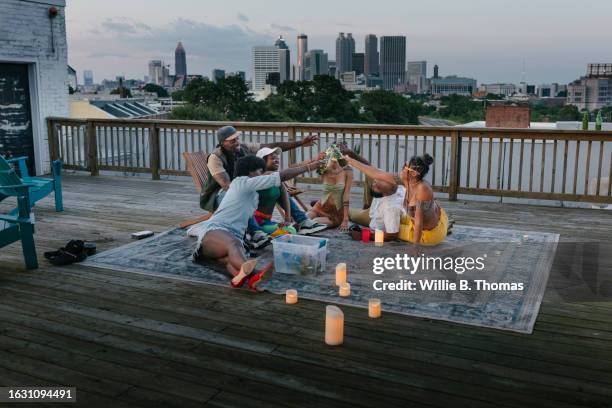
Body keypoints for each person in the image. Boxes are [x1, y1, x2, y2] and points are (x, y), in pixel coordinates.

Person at [188, 155, 322, 292]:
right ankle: (255, 274)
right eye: (260, 171)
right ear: (250, 172)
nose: (262, 174)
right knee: (234, 245)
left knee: (230, 259)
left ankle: (242, 279)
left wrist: (280, 223)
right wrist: (309, 167)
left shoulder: (253, 195)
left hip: (228, 240)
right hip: (215, 231)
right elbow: (280, 176)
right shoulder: (241, 182)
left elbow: (276, 190)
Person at [200, 126, 324, 243]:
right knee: (245, 192)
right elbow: (228, 187)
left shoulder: (243, 147)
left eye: (237, 138)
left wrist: (301, 143)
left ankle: (302, 221)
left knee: (275, 184)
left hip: (246, 185)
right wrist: (264, 177)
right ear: (222, 143)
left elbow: (272, 146)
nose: (236, 142)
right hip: (219, 194)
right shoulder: (215, 158)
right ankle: (255, 232)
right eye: (232, 141)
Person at [344, 153, 449, 246]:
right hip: (420, 220)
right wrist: (350, 160)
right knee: (390, 222)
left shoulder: (422, 190)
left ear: (413, 174)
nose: (401, 170)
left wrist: (415, 249)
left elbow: (418, 223)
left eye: (404, 167)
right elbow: (376, 173)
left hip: (429, 234)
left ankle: (444, 230)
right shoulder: (406, 180)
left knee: (391, 230)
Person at [246, 147, 327, 246]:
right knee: (289, 232)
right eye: (272, 158)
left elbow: (285, 196)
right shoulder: (257, 179)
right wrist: (310, 166)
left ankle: (302, 221)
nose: (277, 160)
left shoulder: (276, 178)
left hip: (266, 222)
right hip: (254, 223)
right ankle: (255, 236)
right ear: (262, 161)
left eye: (277, 158)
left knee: (289, 229)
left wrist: (287, 219)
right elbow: (279, 175)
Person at [307, 144, 353, 232]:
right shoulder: (324, 169)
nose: (334, 156)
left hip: (335, 213)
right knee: (305, 219)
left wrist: (345, 219)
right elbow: (314, 170)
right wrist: (318, 159)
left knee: (314, 223)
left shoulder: (347, 171)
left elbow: (346, 195)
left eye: (337, 153)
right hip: (320, 206)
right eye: (331, 153)